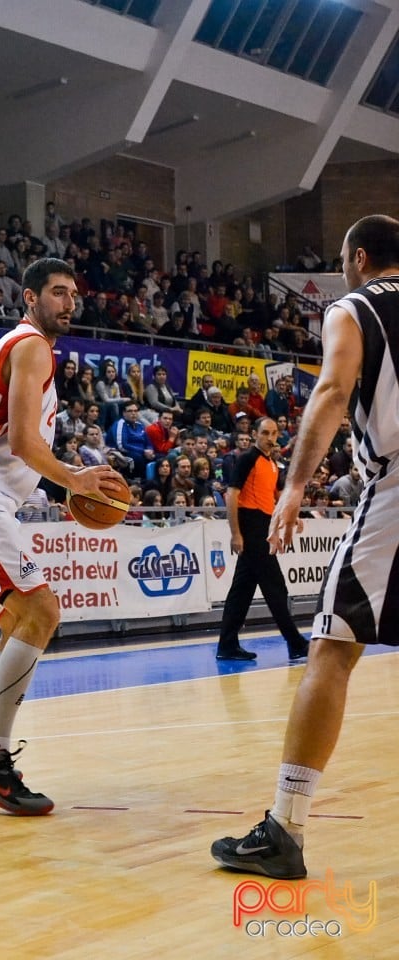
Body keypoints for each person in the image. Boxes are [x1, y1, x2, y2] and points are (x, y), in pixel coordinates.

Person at [211, 214, 399, 880]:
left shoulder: (353, 308)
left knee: (333, 644)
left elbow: (330, 392)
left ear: (358, 258)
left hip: (397, 487)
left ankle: (284, 828)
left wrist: (294, 487)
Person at [0, 257, 119, 815]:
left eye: (73, 294)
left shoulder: (31, 349)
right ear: (30, 298)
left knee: (18, 622)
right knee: (43, 612)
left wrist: (60, 483)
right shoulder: (31, 345)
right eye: (57, 292)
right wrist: (72, 478)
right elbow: (26, 443)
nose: (68, 302)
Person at [215, 416, 309, 662]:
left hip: (262, 526)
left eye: (274, 433)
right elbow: (231, 495)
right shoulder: (247, 459)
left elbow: (275, 498)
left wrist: (291, 517)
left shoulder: (272, 464)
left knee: (242, 591)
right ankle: (296, 643)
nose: (270, 438)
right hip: (251, 527)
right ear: (256, 434)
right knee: (275, 585)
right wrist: (236, 533)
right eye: (265, 433)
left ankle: (227, 645)